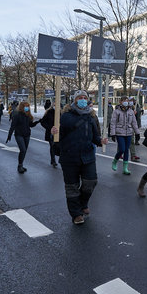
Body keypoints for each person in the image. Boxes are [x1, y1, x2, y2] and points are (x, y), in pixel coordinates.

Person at [51, 90, 108, 225]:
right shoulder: (65, 116)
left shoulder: (91, 116)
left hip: (87, 156)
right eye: (79, 97)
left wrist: (100, 141)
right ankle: (76, 214)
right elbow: (57, 137)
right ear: (74, 100)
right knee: (72, 187)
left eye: (84, 97)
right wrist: (53, 133)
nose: (83, 99)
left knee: (91, 182)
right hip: (70, 157)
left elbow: (95, 136)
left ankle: (83, 203)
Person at [6, 101, 40, 173]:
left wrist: (37, 122)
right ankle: (19, 166)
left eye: (28, 106)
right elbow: (13, 126)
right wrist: (9, 136)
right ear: (22, 107)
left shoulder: (28, 116)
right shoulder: (17, 115)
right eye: (25, 106)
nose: (27, 108)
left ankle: (21, 165)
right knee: (23, 150)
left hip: (27, 135)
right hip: (19, 135)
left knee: (24, 151)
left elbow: (30, 125)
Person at [110, 95, 139, 175]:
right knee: (122, 149)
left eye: (127, 100)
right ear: (120, 102)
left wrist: (137, 133)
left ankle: (125, 168)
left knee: (126, 150)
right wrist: (113, 134)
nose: (126, 102)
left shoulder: (131, 111)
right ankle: (115, 161)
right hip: (119, 133)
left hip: (129, 133)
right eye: (124, 100)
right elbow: (113, 123)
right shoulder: (116, 111)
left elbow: (134, 122)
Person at [40, 102, 58, 167]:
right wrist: (49, 128)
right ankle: (53, 160)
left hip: (59, 132)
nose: (55, 106)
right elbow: (42, 122)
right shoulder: (48, 112)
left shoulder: (61, 112)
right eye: (54, 105)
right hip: (51, 133)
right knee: (52, 146)